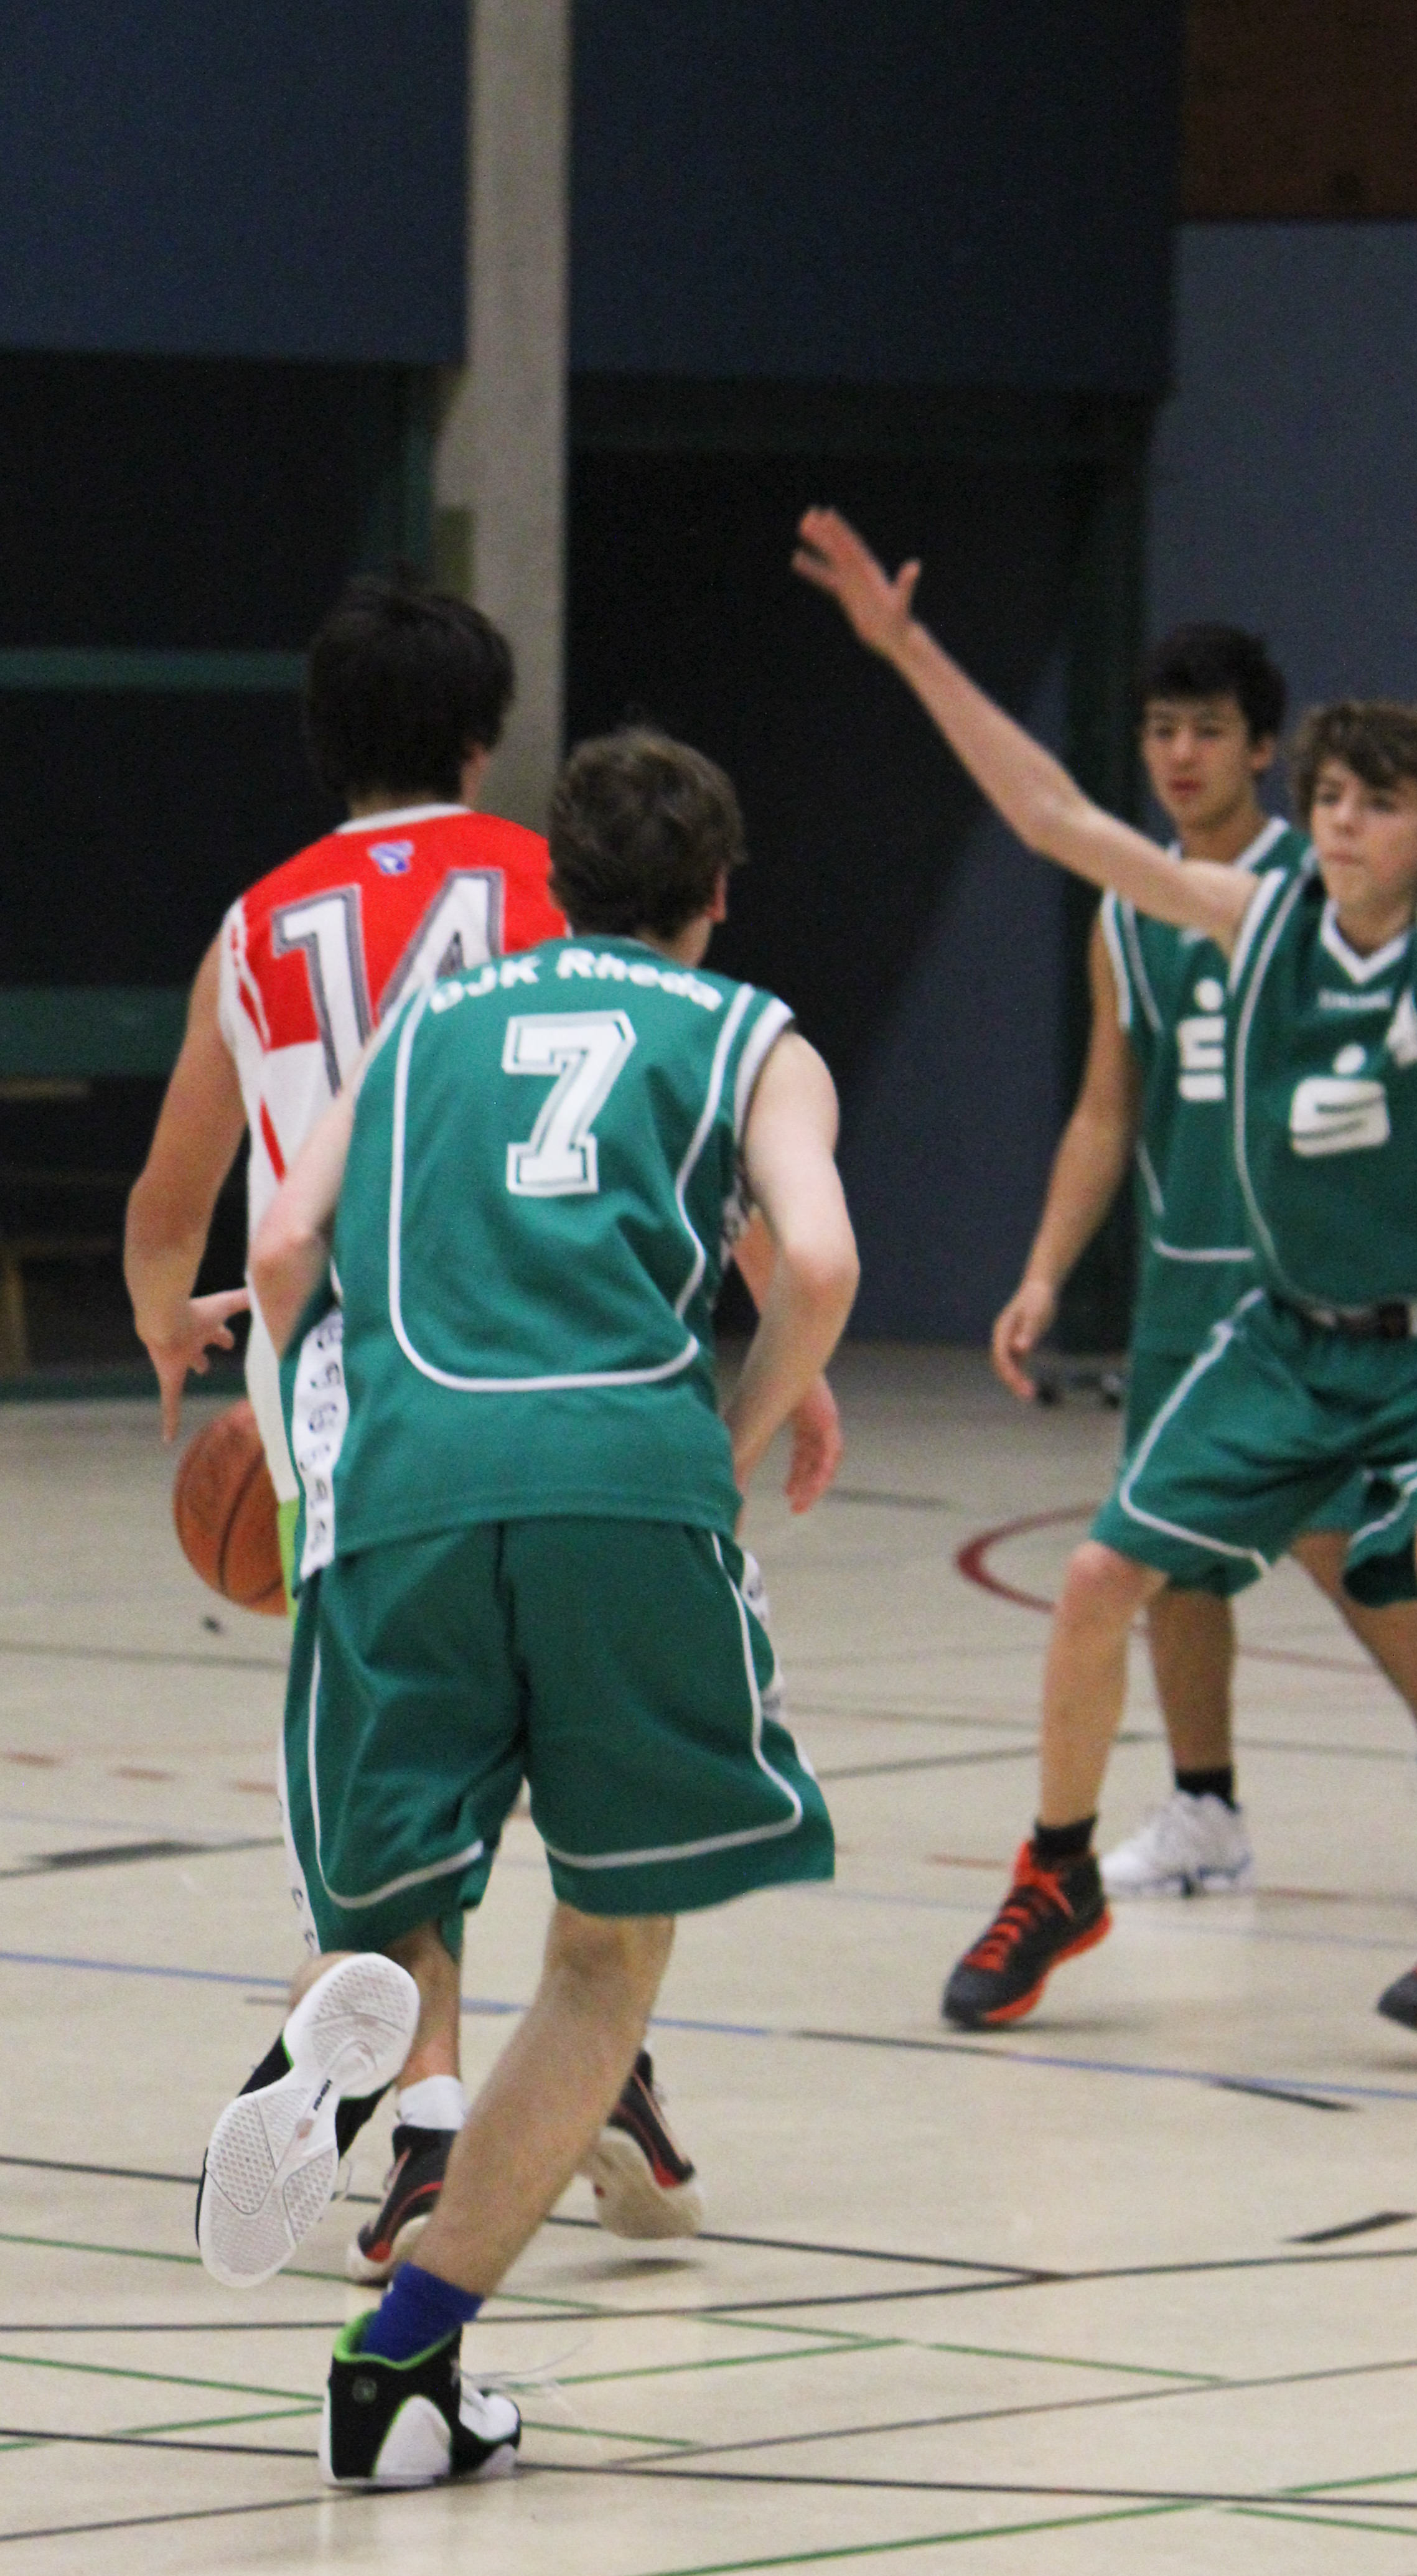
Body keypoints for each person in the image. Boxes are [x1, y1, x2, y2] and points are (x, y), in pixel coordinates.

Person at [795, 483, 1417, 2038]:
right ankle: (1058, 1874)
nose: (1342, 821)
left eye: (1378, 804)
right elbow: (1058, 819)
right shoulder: (1254, 920)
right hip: (1289, 1336)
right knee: (1099, 1574)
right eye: (1333, 796)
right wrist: (909, 650)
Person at [127, 576, 839, 2277]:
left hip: (357, 1388)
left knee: (396, 1804)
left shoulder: (256, 922)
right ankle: (598, 2081)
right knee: (600, 1807)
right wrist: (783, 1369)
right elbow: (661, 1130)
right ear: (483, 735)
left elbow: (190, 1201)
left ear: (323, 736)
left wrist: (171, 1323)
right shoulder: (553, 888)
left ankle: (425, 2112)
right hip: (576, 1360)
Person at [223, 725, 856, 2486]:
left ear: (556, 884)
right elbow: (816, 1263)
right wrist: (731, 1438)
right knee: (603, 1957)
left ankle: (362, 2023)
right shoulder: (751, 1033)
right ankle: (400, 2369)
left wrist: (329, 1396)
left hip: (408, 1481)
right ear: (717, 891)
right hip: (619, 1482)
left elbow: (278, 1249)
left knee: (402, 1902)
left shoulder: (423, 1024)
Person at [988, 623, 1417, 1908]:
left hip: (1307, 1280)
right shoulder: (1126, 913)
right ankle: (1205, 1808)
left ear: (1263, 748)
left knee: (1338, 1534)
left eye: (1207, 729)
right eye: (1160, 730)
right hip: (1183, 1281)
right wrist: (1044, 1272)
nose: (1181, 754)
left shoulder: (1318, 885)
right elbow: (1106, 1109)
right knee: (1169, 1556)